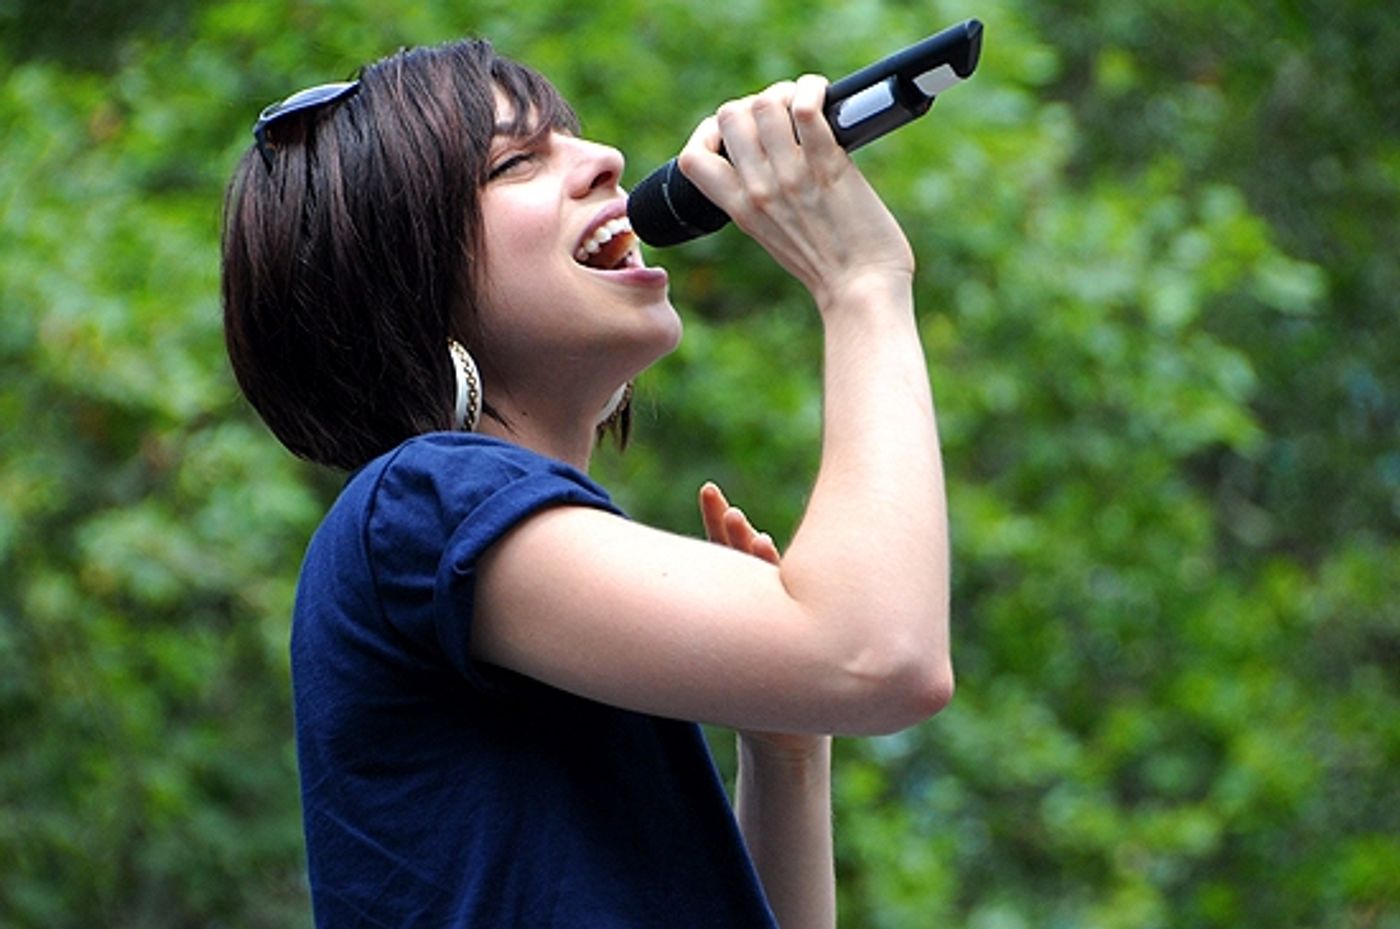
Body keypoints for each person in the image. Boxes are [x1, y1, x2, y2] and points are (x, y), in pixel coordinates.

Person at [221, 36, 951, 928]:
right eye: (516, 162)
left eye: (572, 137)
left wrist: (785, 749)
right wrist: (861, 282)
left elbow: (859, 667)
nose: (604, 159)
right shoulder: (420, 502)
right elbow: (883, 655)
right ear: (405, 282)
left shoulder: (501, 570)